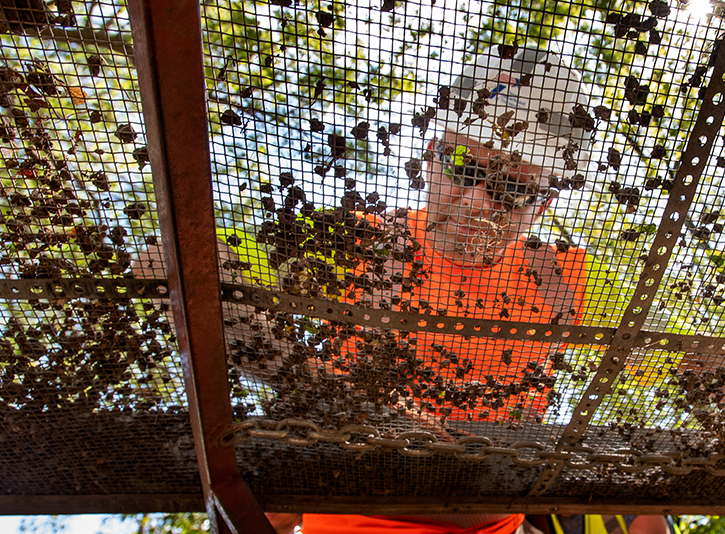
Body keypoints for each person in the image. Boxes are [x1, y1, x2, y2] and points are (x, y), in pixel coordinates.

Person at [267, 47, 676, 534]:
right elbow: (174, 268)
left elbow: (672, 349)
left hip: (492, 510)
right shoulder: (356, 240)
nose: (480, 203)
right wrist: (355, 399)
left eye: (515, 188)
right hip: (365, 500)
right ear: (430, 154)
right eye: (464, 167)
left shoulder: (563, 274)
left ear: (542, 204)